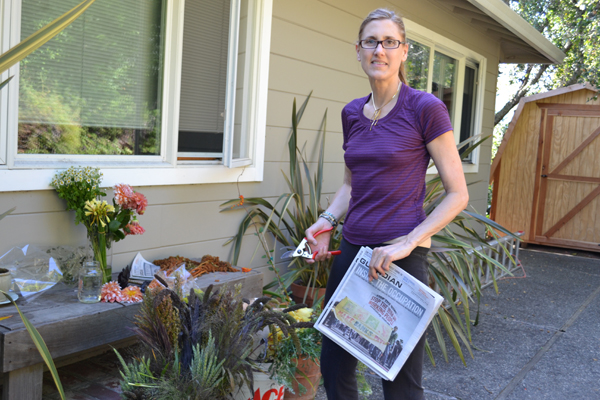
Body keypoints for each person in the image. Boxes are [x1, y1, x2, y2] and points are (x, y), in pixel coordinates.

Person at [304, 8, 469, 400]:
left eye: (389, 42)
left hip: (401, 259)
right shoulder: (351, 113)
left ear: (404, 51)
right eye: (371, 42)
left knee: (399, 376)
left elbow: (458, 193)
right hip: (354, 254)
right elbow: (350, 183)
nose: (380, 50)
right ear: (358, 50)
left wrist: (407, 242)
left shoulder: (424, 108)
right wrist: (326, 220)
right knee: (335, 363)